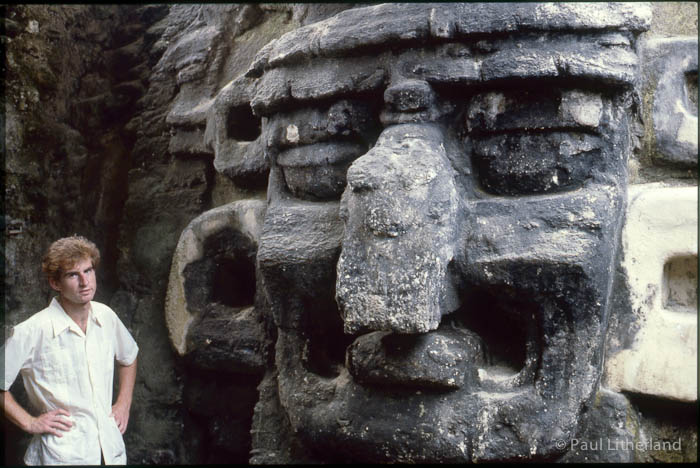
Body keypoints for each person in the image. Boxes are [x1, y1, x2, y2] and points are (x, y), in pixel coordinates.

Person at [1, 236, 138, 465]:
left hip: (110, 451)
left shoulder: (106, 315)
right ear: (55, 283)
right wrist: (29, 422)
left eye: (88, 270)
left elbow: (129, 357)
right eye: (73, 275)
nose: (85, 282)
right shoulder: (32, 330)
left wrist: (123, 403)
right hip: (61, 456)